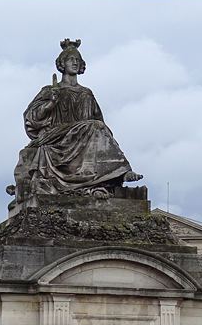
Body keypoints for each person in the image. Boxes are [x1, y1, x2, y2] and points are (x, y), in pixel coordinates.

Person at [13, 38, 142, 203]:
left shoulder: (86, 93)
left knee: (98, 128)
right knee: (96, 127)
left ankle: (118, 173)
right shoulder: (51, 90)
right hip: (58, 137)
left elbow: (99, 121)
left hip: (84, 136)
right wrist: (51, 103)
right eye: (71, 60)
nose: (74, 63)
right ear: (62, 64)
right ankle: (121, 171)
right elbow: (31, 118)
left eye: (77, 60)